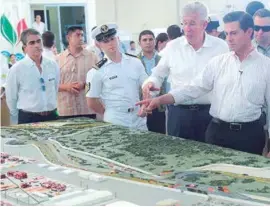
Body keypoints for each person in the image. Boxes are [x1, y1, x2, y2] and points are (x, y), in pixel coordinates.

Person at [137, 11, 270, 155]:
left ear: (249, 32)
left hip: (250, 136)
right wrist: (160, 99)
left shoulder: (265, 66)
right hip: (218, 133)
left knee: (248, 176)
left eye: (234, 33)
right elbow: (193, 88)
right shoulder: (218, 62)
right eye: (226, 33)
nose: (229, 39)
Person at [140, 1, 229, 142]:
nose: (187, 28)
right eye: (184, 23)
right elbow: (157, 74)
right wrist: (150, 84)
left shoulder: (220, 47)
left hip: (209, 114)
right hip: (179, 114)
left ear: (204, 24)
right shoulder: (173, 47)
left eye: (192, 23)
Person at [86, 23, 148, 130]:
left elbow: (146, 86)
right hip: (115, 120)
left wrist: (145, 104)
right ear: (99, 44)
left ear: (118, 39)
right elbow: (91, 101)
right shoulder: (96, 71)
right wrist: (109, 113)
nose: (110, 43)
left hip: (138, 118)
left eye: (112, 39)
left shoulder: (135, 62)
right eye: (105, 41)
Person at [6, 29, 59, 124]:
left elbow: (55, 88)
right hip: (28, 118)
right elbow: (11, 98)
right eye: (32, 43)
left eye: (39, 41)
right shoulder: (17, 69)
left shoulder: (52, 64)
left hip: (51, 116)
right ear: (25, 48)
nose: (37, 45)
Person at [56, 26, 98, 119]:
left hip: (87, 109)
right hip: (65, 110)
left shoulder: (93, 58)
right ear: (68, 38)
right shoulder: (58, 59)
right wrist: (66, 87)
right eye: (77, 35)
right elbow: (50, 84)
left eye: (82, 35)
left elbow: (100, 81)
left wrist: (85, 85)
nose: (81, 38)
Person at [138, 30, 166, 134]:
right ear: (139, 43)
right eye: (144, 40)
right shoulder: (134, 61)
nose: (148, 42)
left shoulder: (163, 59)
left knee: (160, 136)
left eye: (150, 39)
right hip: (141, 104)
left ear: (155, 41)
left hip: (160, 105)